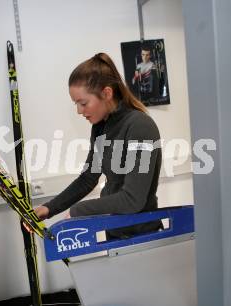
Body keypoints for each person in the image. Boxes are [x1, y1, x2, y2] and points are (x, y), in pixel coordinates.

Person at [34, 53, 162, 238]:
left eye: (83, 103)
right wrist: (48, 208)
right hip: (114, 232)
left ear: (107, 93)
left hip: (142, 237)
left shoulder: (140, 127)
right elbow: (88, 178)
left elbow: (133, 200)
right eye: (76, 104)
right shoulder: (101, 127)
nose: (79, 111)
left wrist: (80, 210)